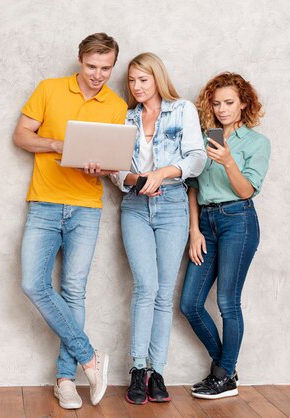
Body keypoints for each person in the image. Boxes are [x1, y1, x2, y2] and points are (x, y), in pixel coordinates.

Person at [13, 33, 128, 409]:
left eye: (106, 69)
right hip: (45, 203)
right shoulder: (49, 89)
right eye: (92, 67)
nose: (98, 75)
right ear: (80, 61)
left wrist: (99, 167)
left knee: (74, 291)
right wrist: (55, 144)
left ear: (113, 66)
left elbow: (116, 162)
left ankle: (66, 380)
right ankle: (90, 357)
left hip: (86, 206)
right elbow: (21, 136)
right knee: (33, 283)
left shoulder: (115, 104)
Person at [110, 52, 206, 405]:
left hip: (173, 206)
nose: (136, 87)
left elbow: (196, 157)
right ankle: (137, 369)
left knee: (164, 293)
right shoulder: (125, 117)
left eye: (143, 80)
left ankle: (157, 372)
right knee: (145, 287)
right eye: (132, 81)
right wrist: (136, 179)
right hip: (135, 206)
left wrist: (161, 174)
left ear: (157, 79)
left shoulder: (182, 110)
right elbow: (116, 170)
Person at [180, 72, 271, 400]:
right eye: (216, 103)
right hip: (206, 222)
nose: (222, 109)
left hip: (238, 221)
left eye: (229, 102)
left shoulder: (257, 143)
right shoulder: (203, 138)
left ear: (244, 103)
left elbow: (247, 190)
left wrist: (229, 160)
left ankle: (222, 374)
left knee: (227, 302)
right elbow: (191, 186)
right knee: (189, 303)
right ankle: (225, 370)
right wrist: (194, 230)